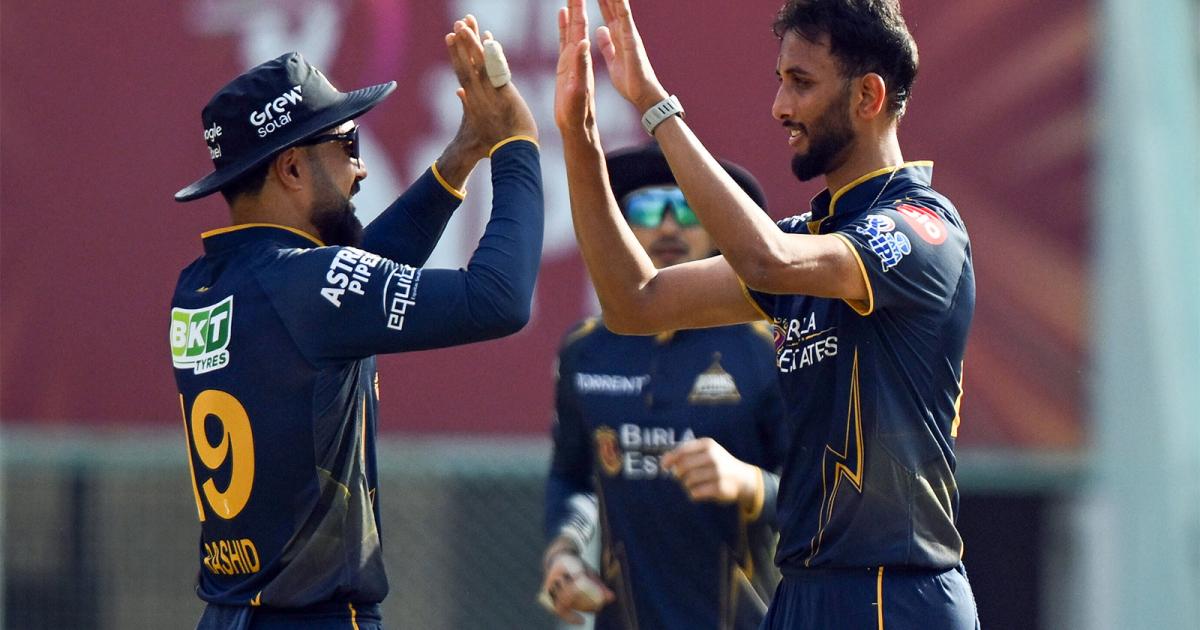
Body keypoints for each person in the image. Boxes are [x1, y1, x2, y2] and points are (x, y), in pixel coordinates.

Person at [553, 0, 980, 628]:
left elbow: (765, 259)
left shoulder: (921, 228)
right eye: (780, 81)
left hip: (896, 594)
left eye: (801, 83)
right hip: (802, 593)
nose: (780, 106)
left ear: (868, 96)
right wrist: (579, 135)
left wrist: (654, 105)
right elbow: (635, 302)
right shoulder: (809, 238)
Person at [169, 16, 541, 629]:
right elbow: (500, 299)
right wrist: (518, 148)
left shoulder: (201, 284)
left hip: (230, 614)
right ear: (292, 169)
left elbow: (347, 283)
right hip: (313, 618)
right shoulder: (303, 286)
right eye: (348, 145)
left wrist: (463, 154)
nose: (360, 169)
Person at [540, 143, 787, 629]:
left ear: (717, 227)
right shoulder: (585, 349)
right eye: (649, 209)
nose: (669, 226)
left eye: (689, 208)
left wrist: (748, 482)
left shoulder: (767, 347)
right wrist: (564, 550)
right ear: (621, 225)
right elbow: (572, 477)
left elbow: (825, 498)